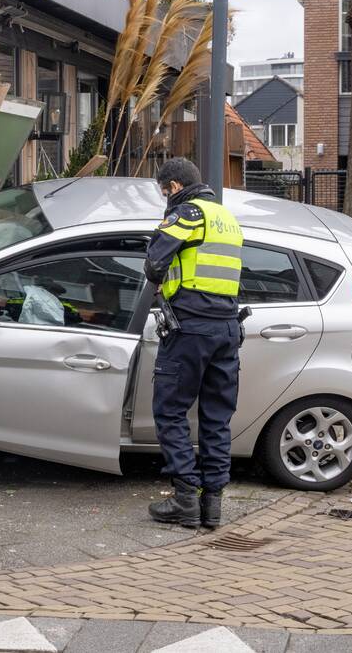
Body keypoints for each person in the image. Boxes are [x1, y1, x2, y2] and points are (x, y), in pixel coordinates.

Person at [145, 157, 244, 530]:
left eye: (163, 191)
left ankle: (185, 498)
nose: (164, 197)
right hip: (226, 330)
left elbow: (154, 263)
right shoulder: (227, 219)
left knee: (171, 411)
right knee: (217, 418)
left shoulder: (187, 213)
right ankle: (212, 506)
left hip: (190, 329)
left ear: (173, 186)